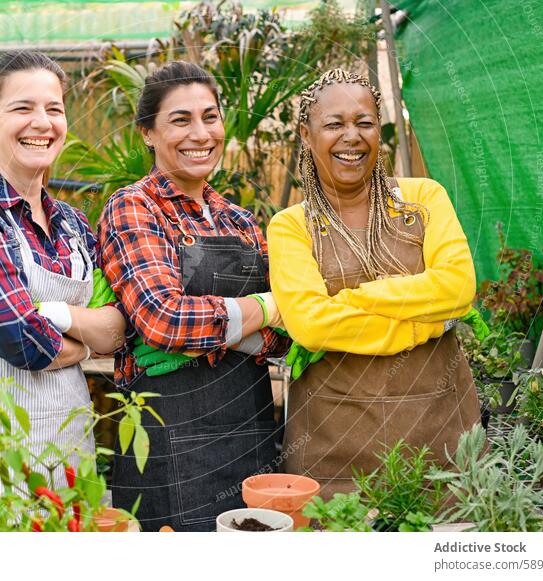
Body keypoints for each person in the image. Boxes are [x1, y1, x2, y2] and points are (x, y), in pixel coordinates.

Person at [0, 51, 124, 530]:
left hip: (69, 451)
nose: (43, 122)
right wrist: (80, 337)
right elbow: (22, 342)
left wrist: (46, 312)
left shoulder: (73, 224)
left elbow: (119, 331)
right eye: (22, 108)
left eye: (54, 109)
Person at [267, 69, 482, 499]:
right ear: (307, 137)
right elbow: (312, 326)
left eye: (364, 122)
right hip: (332, 449)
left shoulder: (424, 200)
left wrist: (356, 300)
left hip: (440, 440)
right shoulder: (291, 227)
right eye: (334, 124)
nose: (352, 136)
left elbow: (457, 286)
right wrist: (426, 324)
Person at [97, 61, 288, 531]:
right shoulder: (133, 206)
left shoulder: (239, 221)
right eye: (180, 120)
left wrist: (227, 331)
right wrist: (263, 310)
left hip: (253, 428)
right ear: (147, 132)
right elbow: (164, 319)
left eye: (210, 116)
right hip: (167, 440)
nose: (200, 133)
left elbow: (288, 336)